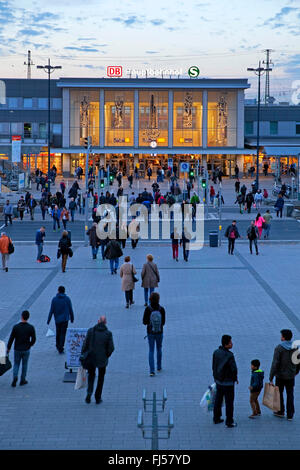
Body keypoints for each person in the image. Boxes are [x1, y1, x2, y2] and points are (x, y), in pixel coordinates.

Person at [81, 316, 114, 404]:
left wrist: (83, 354)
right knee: (101, 378)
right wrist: (106, 355)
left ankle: (89, 393)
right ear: (105, 323)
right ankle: (97, 397)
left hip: (91, 358)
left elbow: (85, 344)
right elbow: (111, 348)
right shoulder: (108, 333)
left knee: (91, 376)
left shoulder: (91, 331)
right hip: (102, 360)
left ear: (98, 321)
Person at [269, 329, 300, 421]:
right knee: (290, 393)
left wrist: (271, 376)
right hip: (291, 375)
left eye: (281, 336)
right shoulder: (296, 347)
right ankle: (290, 414)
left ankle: (280, 411)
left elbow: (275, 363)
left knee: (279, 393)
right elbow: (298, 361)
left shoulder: (279, 348)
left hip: (280, 375)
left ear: (283, 337)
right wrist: (296, 371)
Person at [212, 334, 238, 428]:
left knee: (218, 400)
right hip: (228, 382)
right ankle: (229, 421)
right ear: (227, 344)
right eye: (230, 342)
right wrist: (235, 378)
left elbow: (214, 366)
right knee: (229, 402)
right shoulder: (230, 355)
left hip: (219, 381)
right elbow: (233, 369)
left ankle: (216, 417)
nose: (232, 344)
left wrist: (215, 377)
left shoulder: (216, 352)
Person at [7, 310, 36, 387]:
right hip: (26, 349)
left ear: (22, 316)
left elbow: (11, 338)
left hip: (17, 349)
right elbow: (34, 339)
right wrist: (30, 345)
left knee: (16, 364)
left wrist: (8, 348)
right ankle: (22, 380)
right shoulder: (30, 327)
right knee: (24, 364)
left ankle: (15, 377)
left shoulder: (16, 327)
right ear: (28, 317)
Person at [143, 292, 165, 377]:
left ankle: (152, 370)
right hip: (159, 332)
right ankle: (159, 366)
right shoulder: (161, 309)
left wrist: (149, 323)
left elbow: (144, 321)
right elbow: (163, 322)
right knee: (159, 348)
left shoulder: (148, 309)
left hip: (150, 332)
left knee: (151, 350)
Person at [47, 286, 74, 353]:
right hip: (65, 319)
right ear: (64, 291)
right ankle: (61, 347)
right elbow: (70, 309)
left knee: (58, 332)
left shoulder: (54, 299)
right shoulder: (67, 299)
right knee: (63, 333)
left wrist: (48, 319)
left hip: (57, 319)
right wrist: (72, 318)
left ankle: (57, 344)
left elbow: (51, 310)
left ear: (58, 291)